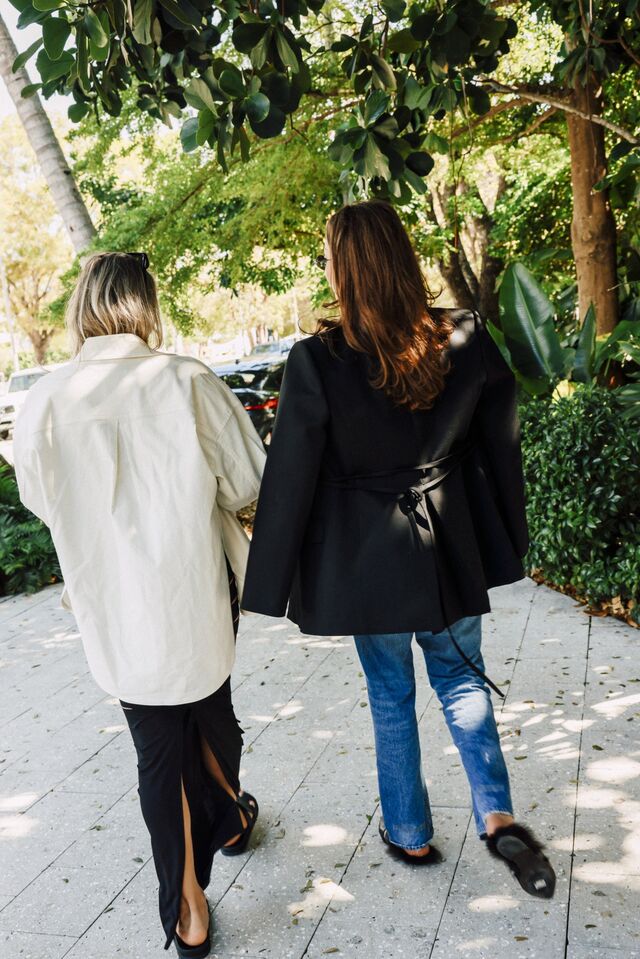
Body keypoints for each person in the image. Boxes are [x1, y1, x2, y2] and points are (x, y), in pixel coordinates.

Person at [241, 200, 556, 898]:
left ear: (345, 269)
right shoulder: (464, 337)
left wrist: (266, 582)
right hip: (446, 547)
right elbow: (499, 443)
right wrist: (505, 532)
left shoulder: (317, 361)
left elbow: (290, 474)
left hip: (367, 562)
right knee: (462, 677)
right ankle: (496, 812)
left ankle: (410, 834)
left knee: (390, 692)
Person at [13, 252, 266, 957]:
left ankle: (188, 911)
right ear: (146, 304)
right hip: (195, 595)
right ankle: (229, 818)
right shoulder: (184, 378)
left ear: (82, 308)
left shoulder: (44, 401)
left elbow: (40, 499)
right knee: (215, 720)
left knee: (157, 752)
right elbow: (248, 479)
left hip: (113, 605)